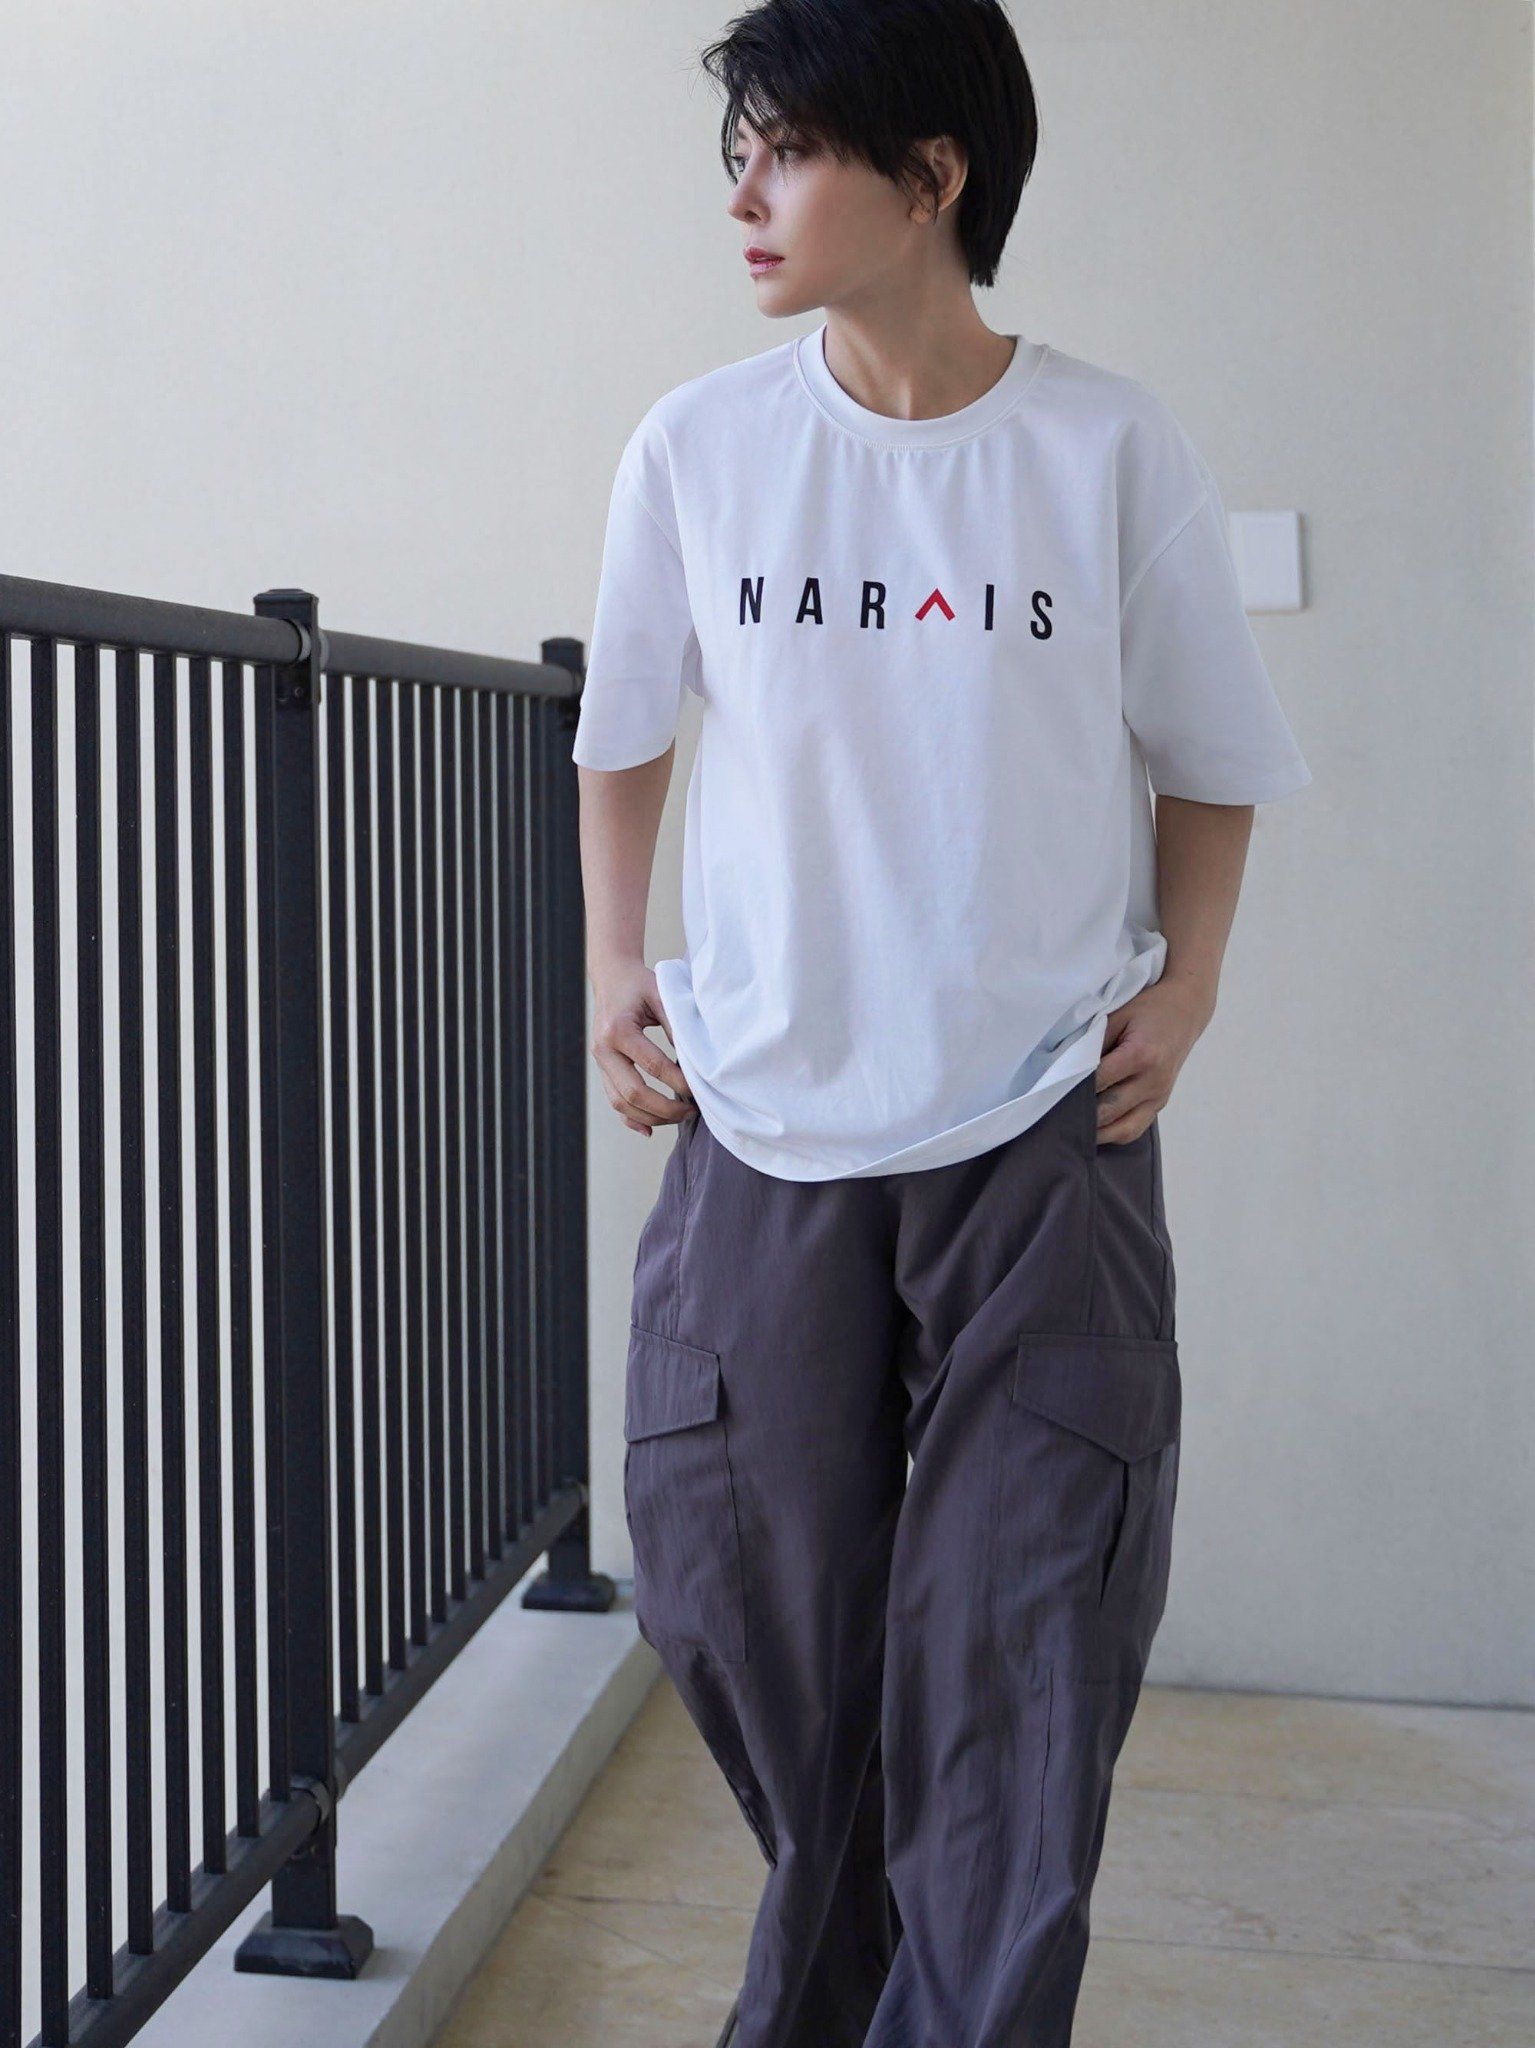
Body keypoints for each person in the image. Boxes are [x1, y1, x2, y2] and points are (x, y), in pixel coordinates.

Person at [570, 3, 1312, 2042]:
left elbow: (1213, 761)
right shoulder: (700, 449)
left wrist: (1191, 982)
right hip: (768, 1118)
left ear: (932, 174)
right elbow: (621, 732)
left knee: (1023, 1647)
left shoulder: (1106, 450)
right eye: (741, 153)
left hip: (1040, 1131)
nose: (744, 195)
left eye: (789, 149)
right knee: (738, 1598)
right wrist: (617, 961)